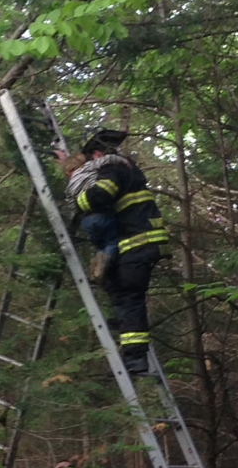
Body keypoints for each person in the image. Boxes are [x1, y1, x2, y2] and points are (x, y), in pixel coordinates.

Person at [69, 129, 169, 377]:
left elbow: (101, 194)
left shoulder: (112, 170)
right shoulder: (127, 168)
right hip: (141, 242)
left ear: (97, 154)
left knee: (129, 297)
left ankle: (135, 359)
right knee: (114, 282)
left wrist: (77, 203)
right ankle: (125, 324)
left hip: (137, 243)